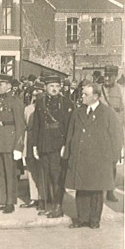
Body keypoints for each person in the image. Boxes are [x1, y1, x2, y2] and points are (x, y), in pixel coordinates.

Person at [64, 83, 123, 229]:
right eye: (82, 94)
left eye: (85, 94)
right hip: (81, 156)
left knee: (96, 190)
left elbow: (116, 136)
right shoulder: (78, 112)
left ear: (95, 97)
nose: (82, 96)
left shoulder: (108, 113)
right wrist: (68, 153)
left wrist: (113, 157)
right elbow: (70, 134)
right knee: (81, 188)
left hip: (99, 159)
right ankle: (82, 218)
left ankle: (94, 219)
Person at [30, 75, 74, 218]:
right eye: (51, 86)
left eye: (57, 86)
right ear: (45, 88)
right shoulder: (40, 103)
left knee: (57, 177)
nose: (55, 89)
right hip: (43, 142)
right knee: (44, 176)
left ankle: (58, 206)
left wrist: (65, 145)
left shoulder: (66, 103)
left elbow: (69, 127)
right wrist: (35, 145)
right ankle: (47, 204)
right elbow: (36, 125)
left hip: (57, 145)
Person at [0, 74, 25, 214]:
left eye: (0, 84)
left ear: (9, 86)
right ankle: (2, 201)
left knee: (10, 174)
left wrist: (18, 147)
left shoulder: (16, 101)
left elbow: (21, 125)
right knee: (0, 174)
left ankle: (10, 202)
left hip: (10, 142)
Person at [20, 81, 46, 213]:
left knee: (41, 170)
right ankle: (33, 197)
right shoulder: (28, 109)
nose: (36, 94)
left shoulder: (47, 108)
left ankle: (43, 198)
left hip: (42, 141)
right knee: (31, 170)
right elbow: (24, 126)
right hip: (29, 140)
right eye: (35, 92)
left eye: (39, 91)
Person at [100, 70, 124, 203]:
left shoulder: (122, 91)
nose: (107, 78)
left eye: (110, 76)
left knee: (113, 162)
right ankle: (98, 190)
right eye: (106, 76)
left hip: (115, 133)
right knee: (98, 162)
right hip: (100, 132)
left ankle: (110, 191)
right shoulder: (98, 90)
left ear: (115, 76)